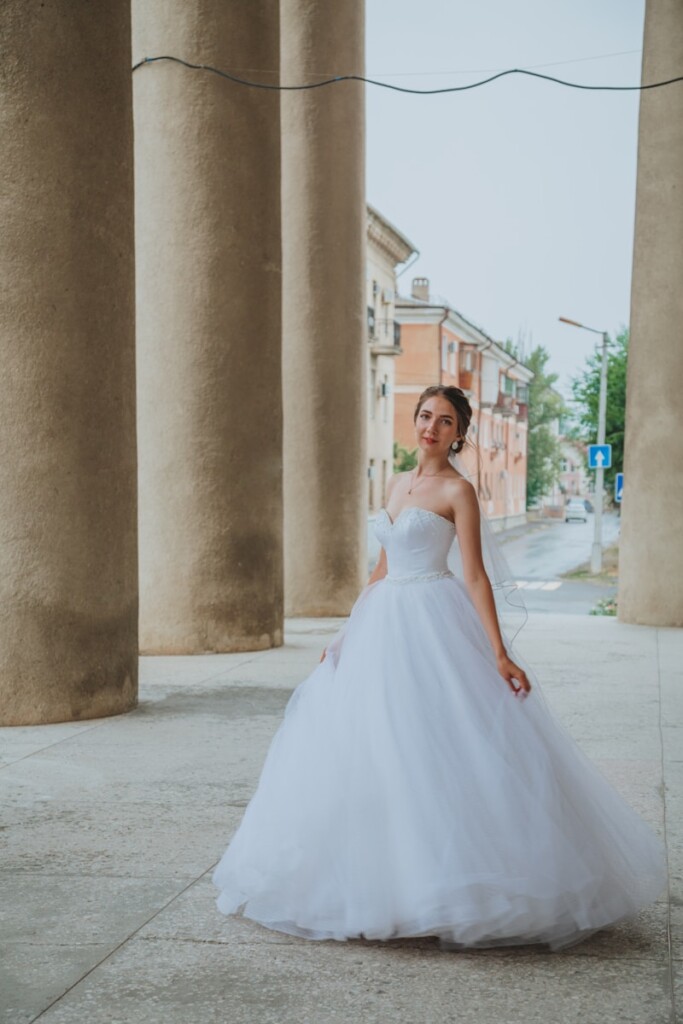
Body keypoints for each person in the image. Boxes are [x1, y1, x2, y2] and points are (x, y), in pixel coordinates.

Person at [213, 384, 666, 951]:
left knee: (438, 744)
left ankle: (451, 885)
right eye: (426, 416)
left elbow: (474, 574)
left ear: (459, 433)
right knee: (372, 747)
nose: (431, 427)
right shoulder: (397, 482)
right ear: (416, 421)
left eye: (445, 421)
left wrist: (499, 652)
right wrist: (346, 632)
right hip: (382, 619)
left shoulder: (459, 490)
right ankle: (381, 880)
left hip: (433, 616)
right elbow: (381, 568)